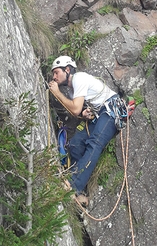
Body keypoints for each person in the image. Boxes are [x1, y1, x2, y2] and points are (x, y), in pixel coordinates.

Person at [49, 55, 126, 205]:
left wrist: (57, 93)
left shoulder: (79, 78)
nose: (54, 76)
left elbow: (75, 109)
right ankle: (79, 190)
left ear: (67, 69)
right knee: (76, 143)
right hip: (100, 114)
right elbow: (78, 110)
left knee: (95, 142)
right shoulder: (72, 91)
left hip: (111, 111)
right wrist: (85, 114)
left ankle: (73, 184)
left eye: (56, 72)